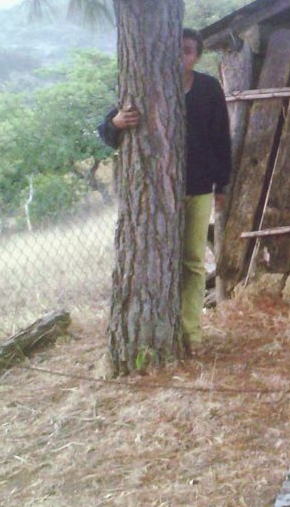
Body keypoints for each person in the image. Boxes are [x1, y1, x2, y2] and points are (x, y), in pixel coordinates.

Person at [98, 28, 232, 351]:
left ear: (196, 56)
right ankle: (156, 332)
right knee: (156, 260)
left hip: (199, 188)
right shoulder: (148, 86)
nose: (181, 56)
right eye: (176, 49)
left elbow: (222, 139)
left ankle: (191, 334)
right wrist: (115, 123)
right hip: (156, 193)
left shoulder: (209, 89)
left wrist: (222, 185)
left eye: (187, 50)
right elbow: (108, 130)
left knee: (192, 261)